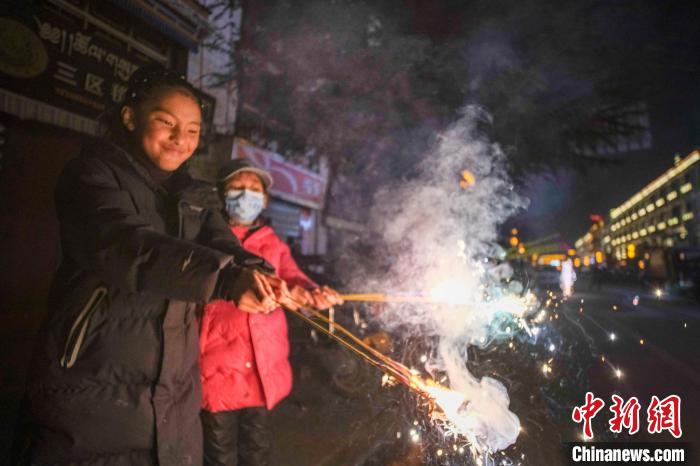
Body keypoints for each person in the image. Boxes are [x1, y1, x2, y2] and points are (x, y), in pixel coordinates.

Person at [12, 66, 288, 466]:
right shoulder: (91, 175)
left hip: (174, 393)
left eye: (192, 130)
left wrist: (258, 273)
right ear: (130, 117)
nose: (180, 139)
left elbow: (225, 245)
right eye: (166, 122)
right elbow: (125, 245)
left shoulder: (195, 197)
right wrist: (226, 279)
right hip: (92, 388)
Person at [199, 159, 343, 466]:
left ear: (264, 200)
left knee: (258, 452)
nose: (246, 195)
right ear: (222, 194)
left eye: (254, 189)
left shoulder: (273, 244)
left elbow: (294, 278)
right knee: (218, 455)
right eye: (237, 187)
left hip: (264, 371)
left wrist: (312, 293)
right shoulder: (205, 237)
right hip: (216, 371)